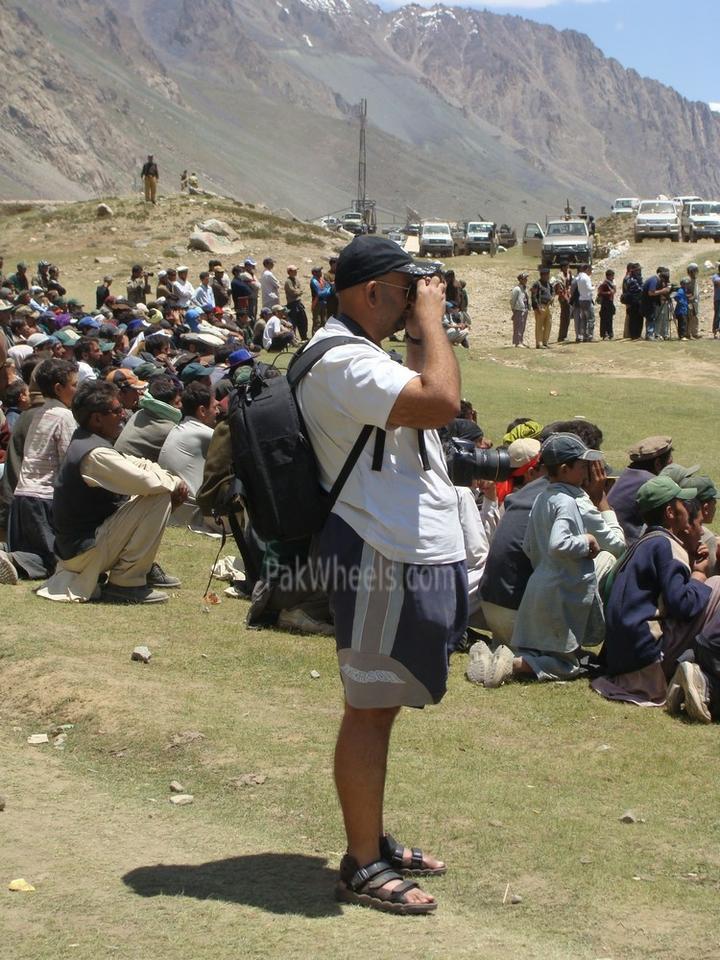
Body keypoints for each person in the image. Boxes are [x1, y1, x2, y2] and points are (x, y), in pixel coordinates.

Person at [296, 234, 466, 915]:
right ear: (372, 292)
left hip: (394, 547)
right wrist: (433, 320)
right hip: (376, 548)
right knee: (368, 709)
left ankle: (370, 840)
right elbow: (441, 398)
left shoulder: (357, 356)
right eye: (404, 291)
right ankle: (363, 864)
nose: (410, 303)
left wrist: (420, 317)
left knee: (382, 704)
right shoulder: (342, 362)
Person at [471, 433, 604, 688]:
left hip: (491, 606)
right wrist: (602, 504)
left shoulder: (525, 494)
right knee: (604, 561)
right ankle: (516, 663)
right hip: (521, 612)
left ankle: (496, 651)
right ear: (567, 469)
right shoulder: (567, 499)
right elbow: (614, 542)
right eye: (584, 465)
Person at [37, 381, 186, 604]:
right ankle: (126, 582)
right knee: (159, 495)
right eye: (116, 411)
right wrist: (174, 483)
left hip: (85, 545)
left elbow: (139, 464)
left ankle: (139, 566)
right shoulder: (95, 453)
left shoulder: (91, 440)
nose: (123, 415)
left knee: (155, 492)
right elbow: (147, 481)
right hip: (84, 551)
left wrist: (169, 480)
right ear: (97, 418)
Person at [592, 477, 720, 708]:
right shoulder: (667, 545)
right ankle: (706, 667)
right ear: (671, 512)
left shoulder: (644, 542)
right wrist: (700, 575)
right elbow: (683, 606)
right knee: (718, 585)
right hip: (647, 659)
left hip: (621, 657)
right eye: (682, 504)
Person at [1, 359, 79, 582]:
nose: (77, 389)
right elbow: (68, 460)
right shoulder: (65, 416)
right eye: (74, 385)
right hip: (45, 497)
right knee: (55, 561)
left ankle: (12, 557)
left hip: (23, 496)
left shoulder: (38, 413)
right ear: (58, 388)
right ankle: (12, 558)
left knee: (38, 550)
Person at [608, 436, 673, 544]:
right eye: (669, 462)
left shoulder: (627, 474)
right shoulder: (651, 483)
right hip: (628, 546)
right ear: (657, 464)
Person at [115, 374, 182, 462]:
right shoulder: (169, 429)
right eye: (177, 403)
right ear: (165, 406)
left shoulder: (140, 413)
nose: (181, 405)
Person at [530, 265, 554, 349]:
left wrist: (552, 297)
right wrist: (537, 307)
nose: (548, 276)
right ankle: (539, 343)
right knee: (539, 325)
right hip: (541, 306)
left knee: (548, 324)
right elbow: (533, 296)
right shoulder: (537, 284)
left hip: (548, 306)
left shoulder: (549, 284)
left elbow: (552, 292)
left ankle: (545, 342)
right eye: (547, 274)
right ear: (542, 275)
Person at [284, 265, 308, 340]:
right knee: (293, 322)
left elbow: (300, 290)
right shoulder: (288, 282)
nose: (296, 272)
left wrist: (298, 291)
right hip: (292, 304)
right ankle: (293, 338)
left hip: (298, 303)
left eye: (296, 270)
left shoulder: (296, 280)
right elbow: (293, 292)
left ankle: (304, 337)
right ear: (289, 272)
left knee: (303, 320)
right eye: (294, 271)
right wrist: (298, 291)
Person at [574, 263, 595, 342]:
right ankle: (590, 335)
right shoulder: (586, 278)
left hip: (581, 299)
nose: (591, 272)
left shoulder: (578, 277)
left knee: (584, 319)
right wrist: (594, 287)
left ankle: (584, 335)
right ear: (587, 269)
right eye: (590, 270)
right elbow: (589, 288)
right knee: (590, 318)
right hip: (587, 300)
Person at [310, 266, 333, 334]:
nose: (321, 272)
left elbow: (328, 286)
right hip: (317, 303)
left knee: (324, 320)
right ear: (314, 273)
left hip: (323, 302)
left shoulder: (321, 279)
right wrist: (328, 290)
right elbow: (320, 293)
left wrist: (327, 289)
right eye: (319, 271)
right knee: (317, 321)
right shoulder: (314, 281)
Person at [555, 261, 573, 343]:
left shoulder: (568, 274)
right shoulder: (560, 276)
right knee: (564, 317)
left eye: (568, 267)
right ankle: (561, 336)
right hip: (563, 298)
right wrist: (565, 298)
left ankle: (564, 335)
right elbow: (560, 289)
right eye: (566, 267)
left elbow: (569, 284)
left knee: (567, 317)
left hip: (568, 297)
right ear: (562, 267)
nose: (567, 268)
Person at [510, 272, 529, 347]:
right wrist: (514, 310)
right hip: (518, 310)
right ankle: (517, 342)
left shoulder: (524, 288)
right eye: (525, 278)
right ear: (520, 280)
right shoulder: (517, 289)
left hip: (524, 309)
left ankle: (521, 340)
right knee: (518, 326)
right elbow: (512, 300)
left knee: (522, 326)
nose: (526, 280)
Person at [596, 269, 616, 341]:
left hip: (610, 302)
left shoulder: (611, 283)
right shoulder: (604, 284)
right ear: (608, 276)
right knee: (605, 319)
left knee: (609, 319)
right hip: (605, 303)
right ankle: (605, 334)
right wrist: (608, 293)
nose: (613, 277)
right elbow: (599, 293)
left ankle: (610, 333)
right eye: (612, 276)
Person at [686, 262, 701, 339]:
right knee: (690, 317)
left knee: (695, 317)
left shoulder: (695, 279)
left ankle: (695, 333)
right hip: (690, 302)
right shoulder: (688, 280)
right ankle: (688, 333)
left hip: (695, 302)